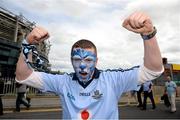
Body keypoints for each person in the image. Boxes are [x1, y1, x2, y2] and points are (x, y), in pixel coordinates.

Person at [15, 12, 164, 119]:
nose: (82, 66)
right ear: (71, 61)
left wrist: (149, 35)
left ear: (96, 61)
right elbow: (24, 76)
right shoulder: (63, 82)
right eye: (77, 60)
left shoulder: (112, 80)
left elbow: (152, 70)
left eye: (88, 60)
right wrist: (28, 44)